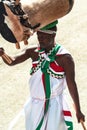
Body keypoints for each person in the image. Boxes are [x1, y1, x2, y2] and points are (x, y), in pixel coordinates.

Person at [0, 24, 85, 130]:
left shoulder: (65, 58)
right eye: (38, 36)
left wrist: (78, 110)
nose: (40, 40)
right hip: (35, 105)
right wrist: (3, 54)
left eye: (43, 37)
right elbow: (12, 61)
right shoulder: (33, 51)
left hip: (55, 106)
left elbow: (71, 84)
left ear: (53, 36)